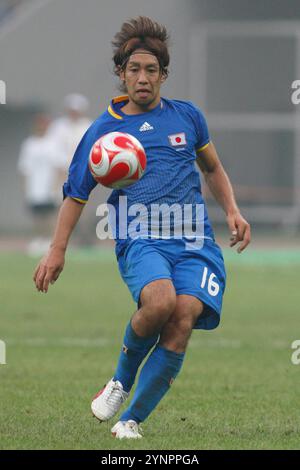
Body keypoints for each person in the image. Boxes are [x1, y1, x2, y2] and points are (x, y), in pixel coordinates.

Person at [33, 17, 251, 440]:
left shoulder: (188, 117)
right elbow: (76, 194)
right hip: (139, 234)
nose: (143, 78)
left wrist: (233, 211)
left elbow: (213, 168)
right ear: (121, 74)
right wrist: (56, 250)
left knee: (184, 316)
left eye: (152, 70)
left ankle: (130, 421)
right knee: (160, 302)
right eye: (134, 69)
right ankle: (119, 380)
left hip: (194, 238)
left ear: (164, 75)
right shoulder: (104, 130)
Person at [18, 113, 65, 255]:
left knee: (50, 216)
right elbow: (24, 168)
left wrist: (57, 186)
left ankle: (49, 241)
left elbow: (60, 167)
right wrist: (25, 188)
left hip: (50, 186)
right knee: (37, 216)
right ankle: (38, 239)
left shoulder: (53, 144)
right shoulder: (29, 144)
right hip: (35, 186)